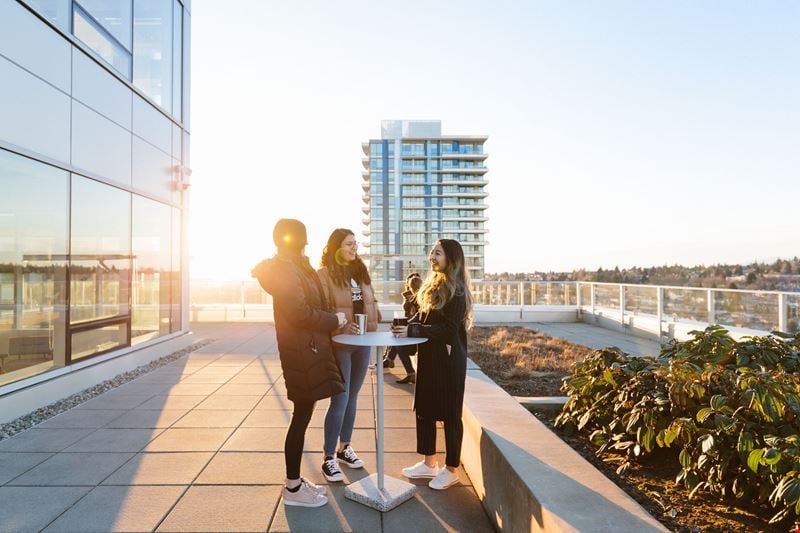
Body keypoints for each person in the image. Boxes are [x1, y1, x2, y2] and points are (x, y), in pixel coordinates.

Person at [252, 218, 347, 507]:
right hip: (302, 351)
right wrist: (335, 320)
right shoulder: (285, 270)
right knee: (301, 417)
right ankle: (293, 489)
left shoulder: (292, 267)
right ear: (298, 240)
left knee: (302, 416)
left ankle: (294, 483)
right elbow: (300, 313)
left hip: (306, 350)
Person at [391, 239, 473, 491]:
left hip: (448, 360)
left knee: (450, 415)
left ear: (451, 258)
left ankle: (451, 470)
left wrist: (413, 329)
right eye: (432, 252)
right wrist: (405, 324)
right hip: (429, 357)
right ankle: (429, 463)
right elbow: (423, 317)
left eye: (437, 253)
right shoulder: (432, 285)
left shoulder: (457, 291)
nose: (431, 256)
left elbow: (448, 330)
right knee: (424, 410)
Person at [316, 228, 380, 482]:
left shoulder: (360, 272)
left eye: (355, 244)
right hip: (340, 342)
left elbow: (370, 302)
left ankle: (345, 447)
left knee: (353, 397)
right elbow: (322, 309)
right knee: (340, 399)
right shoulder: (324, 275)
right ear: (335, 248)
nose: (354, 248)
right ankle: (329, 457)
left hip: (363, 341)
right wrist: (341, 325)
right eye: (348, 244)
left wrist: (375, 317)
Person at [383, 272, 423, 384]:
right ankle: (389, 359)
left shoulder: (419, 299)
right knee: (396, 333)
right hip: (413, 328)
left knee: (399, 343)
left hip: (418, 331)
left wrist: (407, 324)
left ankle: (392, 361)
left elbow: (417, 315)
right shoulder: (412, 296)